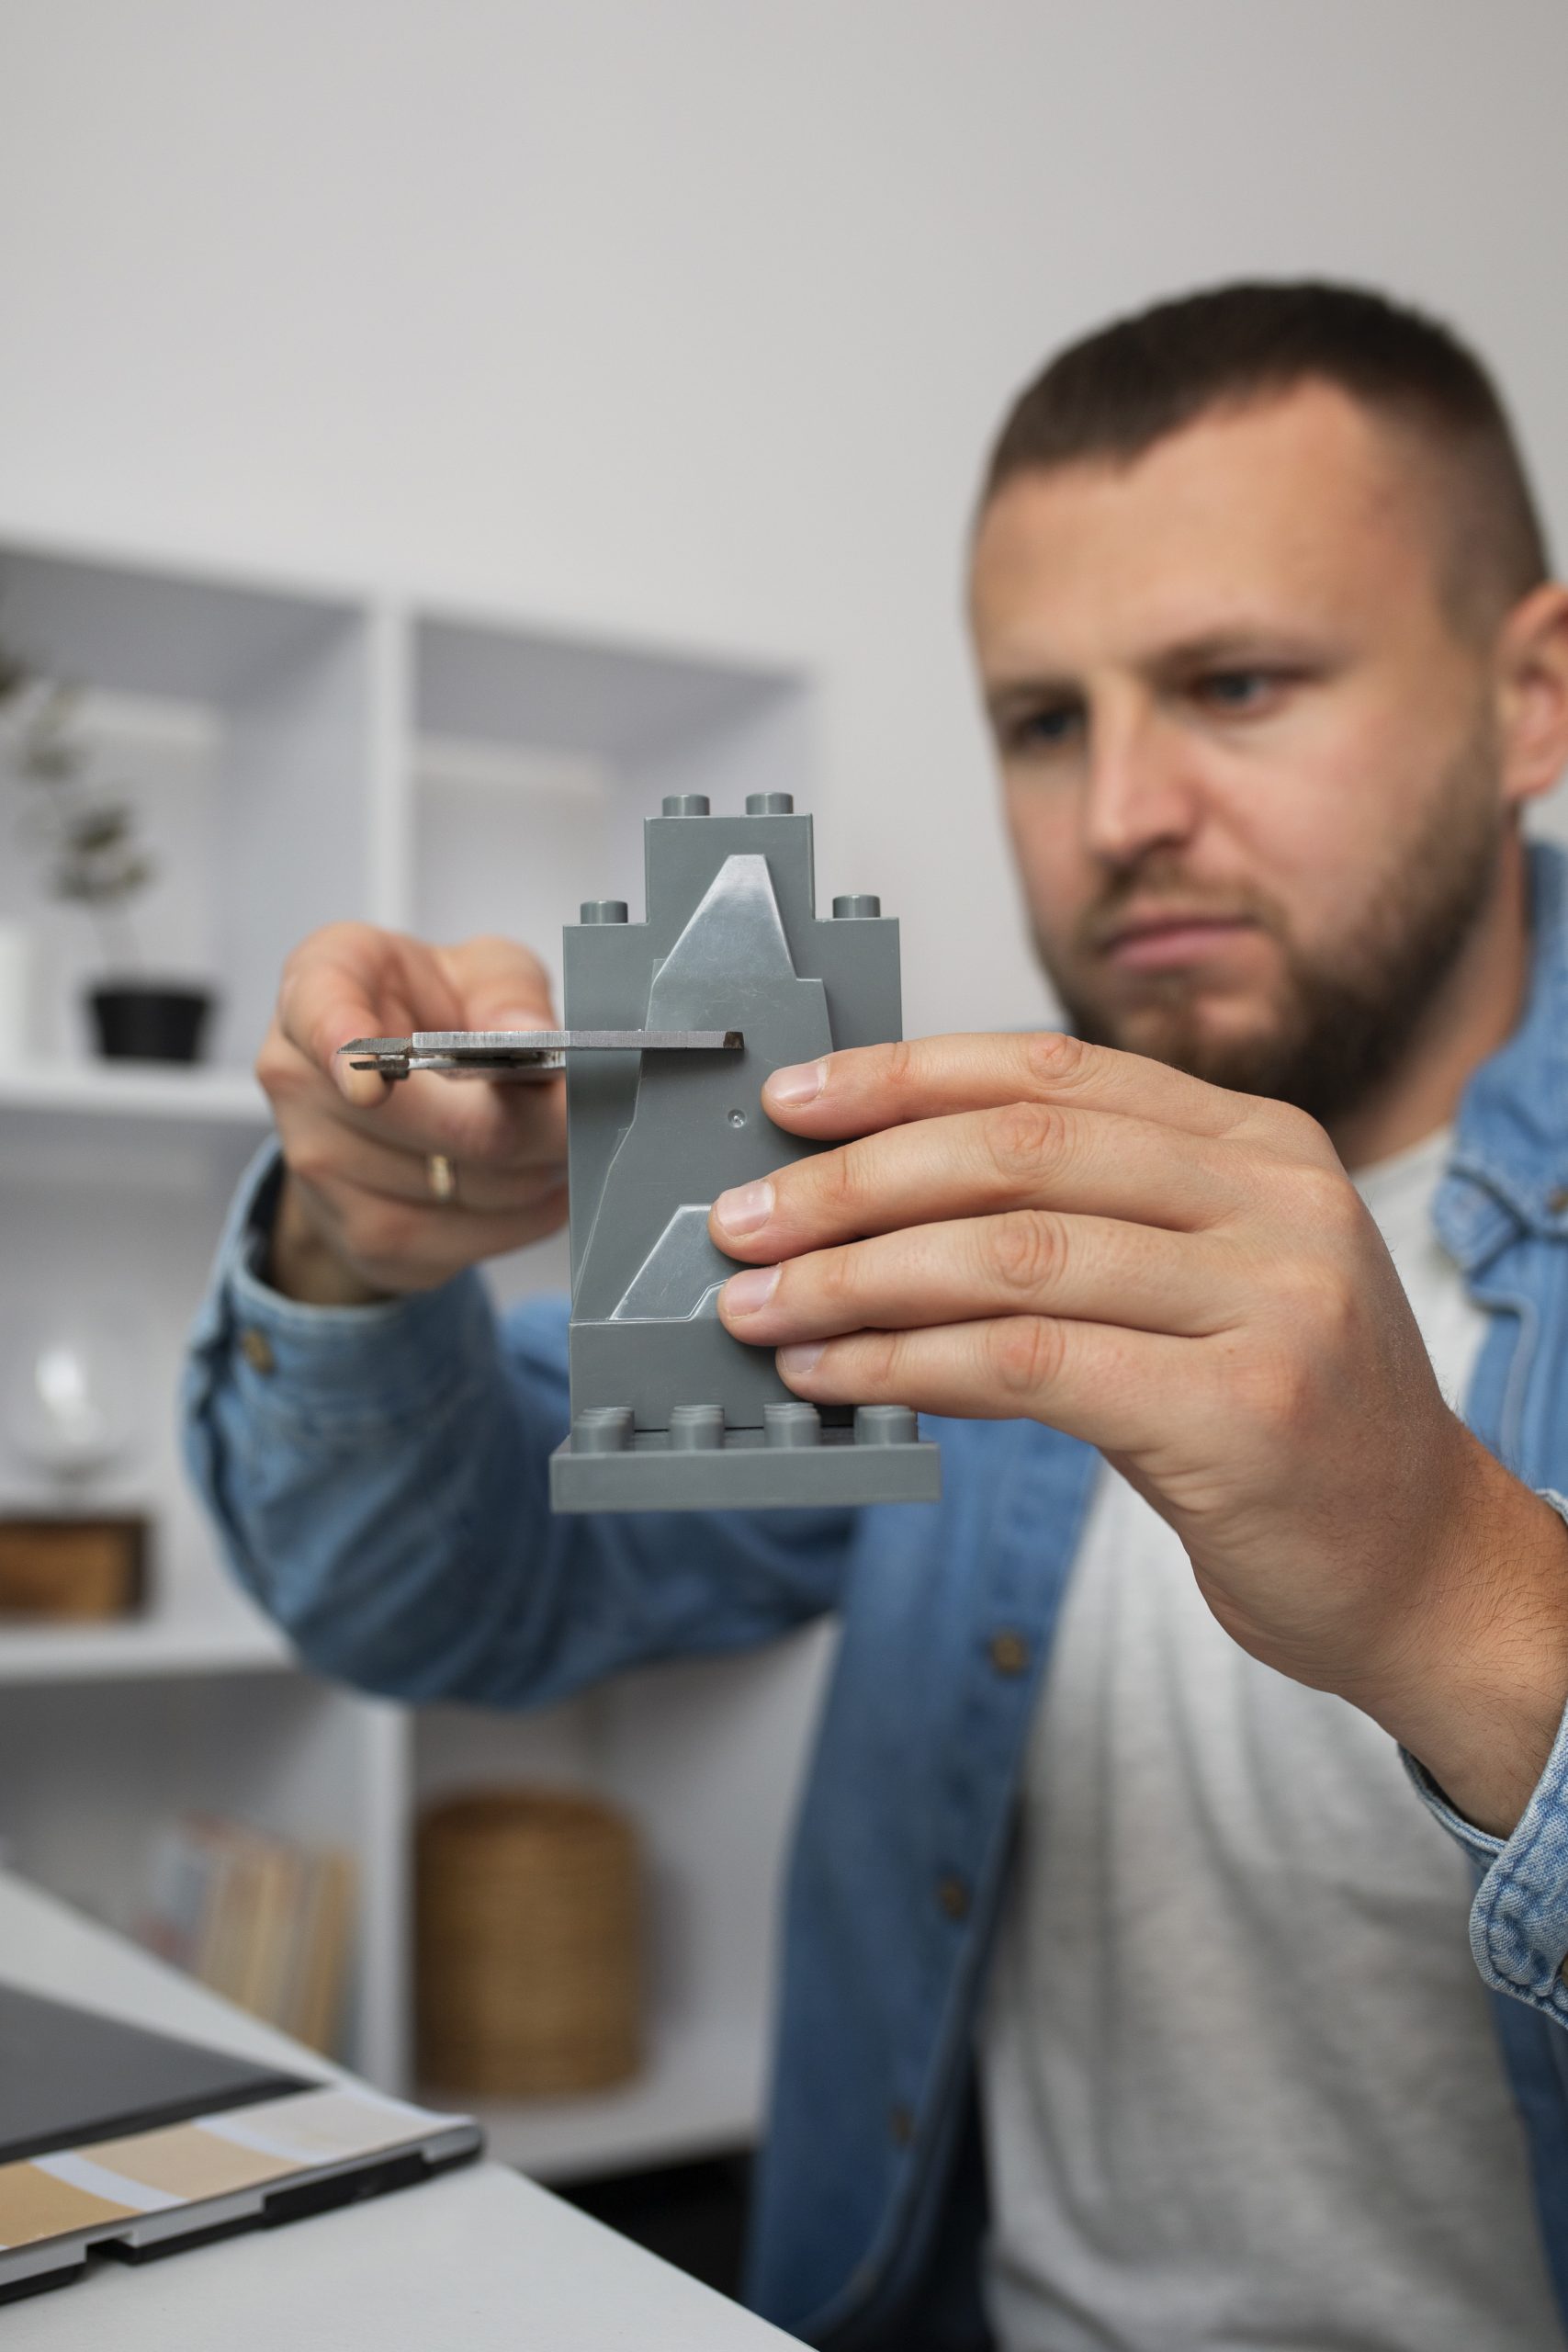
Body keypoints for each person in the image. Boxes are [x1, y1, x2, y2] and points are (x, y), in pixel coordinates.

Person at [186, 280, 1568, 2352]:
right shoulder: (968, 1194)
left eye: (1236, 682)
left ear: (1528, 691)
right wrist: (357, 1259)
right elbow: (434, 1605)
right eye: (1039, 718)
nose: (1116, 815)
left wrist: (1455, 1583)